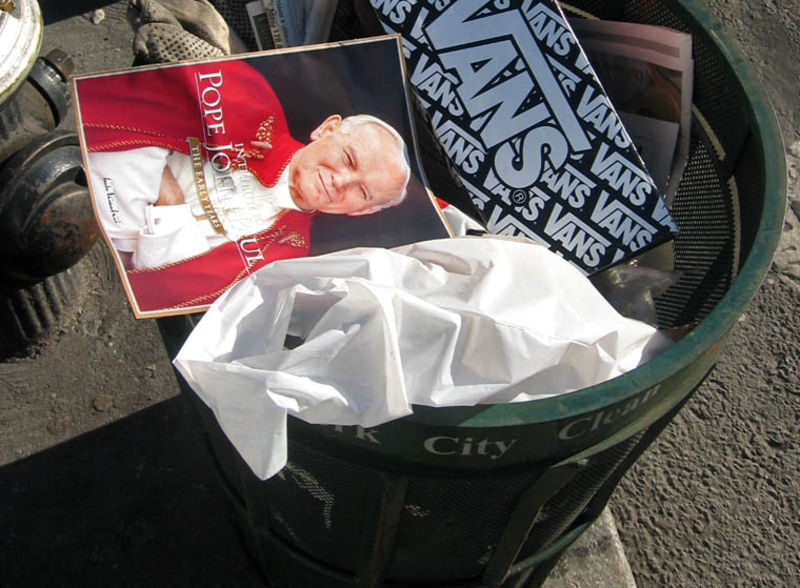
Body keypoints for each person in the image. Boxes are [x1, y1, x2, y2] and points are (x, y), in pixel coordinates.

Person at [77, 59, 411, 312]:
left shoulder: (288, 257)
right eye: (349, 159)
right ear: (327, 129)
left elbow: (168, 284)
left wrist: (170, 201)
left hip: (96, 282)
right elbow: (126, 124)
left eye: (362, 192)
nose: (340, 181)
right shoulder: (251, 96)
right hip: (77, 174)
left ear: (362, 211)